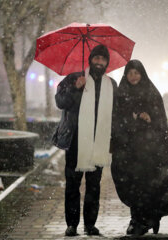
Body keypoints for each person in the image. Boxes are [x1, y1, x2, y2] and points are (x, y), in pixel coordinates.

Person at [52, 45, 117, 236]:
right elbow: (60, 102)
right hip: (75, 141)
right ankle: (71, 224)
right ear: (90, 60)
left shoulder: (111, 85)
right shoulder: (73, 78)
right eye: (96, 58)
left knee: (94, 186)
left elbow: (117, 113)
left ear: (106, 63)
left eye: (102, 60)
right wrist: (75, 88)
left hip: (99, 142)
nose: (99, 62)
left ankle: (90, 225)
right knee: (72, 184)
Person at [110, 59, 168, 236]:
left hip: (148, 151)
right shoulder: (121, 94)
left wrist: (149, 119)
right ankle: (140, 218)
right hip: (128, 150)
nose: (133, 77)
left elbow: (160, 122)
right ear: (125, 75)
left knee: (146, 185)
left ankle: (143, 220)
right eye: (130, 73)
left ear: (142, 74)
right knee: (130, 184)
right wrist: (131, 119)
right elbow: (116, 119)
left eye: (136, 73)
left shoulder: (151, 93)